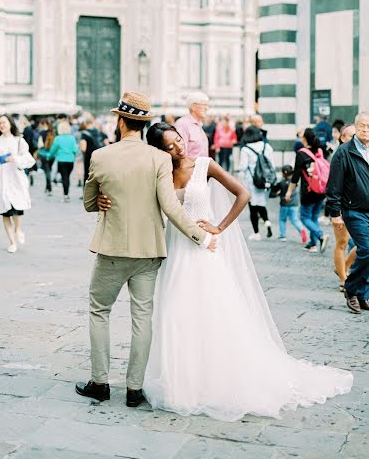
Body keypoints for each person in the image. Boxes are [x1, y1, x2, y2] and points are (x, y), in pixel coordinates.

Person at [99, 122, 353, 421]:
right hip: (173, 250)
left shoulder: (204, 165)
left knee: (212, 313)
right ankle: (182, 380)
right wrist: (103, 200)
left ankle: (215, 377)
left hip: (203, 250)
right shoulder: (160, 171)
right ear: (159, 150)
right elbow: (136, 198)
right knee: (174, 314)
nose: (178, 147)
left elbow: (242, 194)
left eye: (178, 140)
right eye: (169, 146)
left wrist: (219, 227)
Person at [75, 92, 216, 409]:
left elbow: (87, 202)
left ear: (121, 121)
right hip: (149, 252)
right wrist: (201, 237)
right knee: (143, 318)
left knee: (100, 312)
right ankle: (134, 390)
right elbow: (170, 207)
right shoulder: (160, 159)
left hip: (111, 251)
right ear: (143, 123)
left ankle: (100, 382)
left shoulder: (100, 156)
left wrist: (99, 200)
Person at [326, 111, 369, 314]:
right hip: (354, 210)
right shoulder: (344, 152)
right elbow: (334, 185)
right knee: (367, 248)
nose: (366, 130)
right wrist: (335, 213)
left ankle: (362, 294)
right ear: (356, 126)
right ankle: (351, 289)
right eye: (362, 126)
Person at [0, 115, 35, 253]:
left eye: (4, 122)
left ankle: (18, 229)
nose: (2, 125)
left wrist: (16, 158)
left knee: (17, 210)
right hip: (1, 180)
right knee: (5, 213)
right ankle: (12, 242)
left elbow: (29, 160)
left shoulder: (19, 141)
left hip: (16, 180)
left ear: (10, 124)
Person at [285, 128, 329, 254]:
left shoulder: (301, 153)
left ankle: (321, 236)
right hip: (321, 190)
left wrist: (289, 192)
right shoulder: (319, 151)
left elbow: (296, 176)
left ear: (304, 139)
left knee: (304, 217)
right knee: (314, 217)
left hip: (308, 191)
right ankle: (313, 244)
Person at [328, 123, 357, 293]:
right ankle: (343, 278)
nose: (353, 139)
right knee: (342, 242)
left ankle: (344, 266)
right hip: (342, 206)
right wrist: (335, 213)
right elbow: (333, 187)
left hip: (359, 207)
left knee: (363, 244)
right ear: (342, 137)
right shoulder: (340, 155)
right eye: (349, 136)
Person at [239, 126, 274, 241]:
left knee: (253, 206)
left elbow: (243, 168)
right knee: (261, 203)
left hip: (251, 182)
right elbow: (272, 165)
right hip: (264, 181)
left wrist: (240, 184)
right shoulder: (267, 146)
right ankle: (267, 221)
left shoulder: (246, 149)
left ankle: (256, 233)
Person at [272, 165, 308, 243]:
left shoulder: (281, 183)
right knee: (294, 219)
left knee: (282, 220)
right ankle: (301, 229)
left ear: (283, 173)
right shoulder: (294, 182)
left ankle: (283, 236)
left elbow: (274, 190)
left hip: (284, 204)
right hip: (294, 204)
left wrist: (278, 193)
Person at [48, 121, 78, 202]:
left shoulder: (58, 138)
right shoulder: (72, 138)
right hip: (71, 161)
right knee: (67, 177)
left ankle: (66, 195)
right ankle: (67, 194)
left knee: (64, 177)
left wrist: (49, 156)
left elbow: (53, 150)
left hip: (61, 160)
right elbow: (75, 150)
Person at [175, 92, 209, 158]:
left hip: (202, 167)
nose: (206, 108)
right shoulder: (182, 124)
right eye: (204, 105)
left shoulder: (199, 125)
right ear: (193, 106)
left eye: (207, 105)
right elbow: (180, 153)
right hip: (190, 168)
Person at [80, 119, 100, 185]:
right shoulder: (98, 132)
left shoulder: (84, 133)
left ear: (86, 124)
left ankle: (86, 194)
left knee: (87, 175)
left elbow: (83, 148)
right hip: (99, 155)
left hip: (89, 157)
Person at [37, 120, 55, 196]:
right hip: (52, 155)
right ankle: (47, 187)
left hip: (44, 154)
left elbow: (40, 144)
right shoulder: (53, 133)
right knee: (49, 170)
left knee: (47, 172)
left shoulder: (41, 133)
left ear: (44, 124)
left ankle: (49, 188)